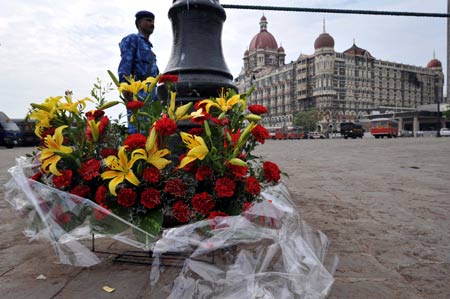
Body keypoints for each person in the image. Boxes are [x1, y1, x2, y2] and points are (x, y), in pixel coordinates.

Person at [118, 10, 159, 133]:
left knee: (151, 131)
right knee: (137, 130)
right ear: (138, 23)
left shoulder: (150, 50)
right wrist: (125, 87)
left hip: (151, 95)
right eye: (148, 20)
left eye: (152, 21)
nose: (151, 24)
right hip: (137, 92)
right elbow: (126, 63)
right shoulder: (133, 39)